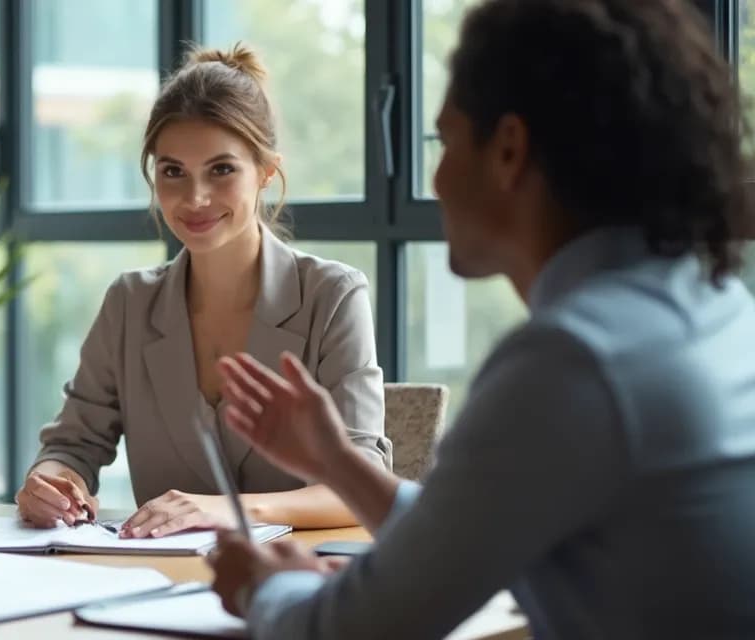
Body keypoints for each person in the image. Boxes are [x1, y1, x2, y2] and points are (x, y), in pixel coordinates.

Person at [208, 0, 755, 637]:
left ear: (508, 150)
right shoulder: (714, 309)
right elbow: (468, 532)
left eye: (444, 140)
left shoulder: (574, 362)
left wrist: (269, 588)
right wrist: (335, 459)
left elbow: (358, 629)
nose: (434, 180)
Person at [16, 45, 392, 536]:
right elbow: (71, 448)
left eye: (221, 170)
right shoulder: (129, 304)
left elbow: (364, 480)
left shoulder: (333, 297)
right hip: (161, 588)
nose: (194, 199)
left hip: (302, 585)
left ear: (266, 172)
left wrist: (227, 511)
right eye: (173, 172)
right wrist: (49, 485)